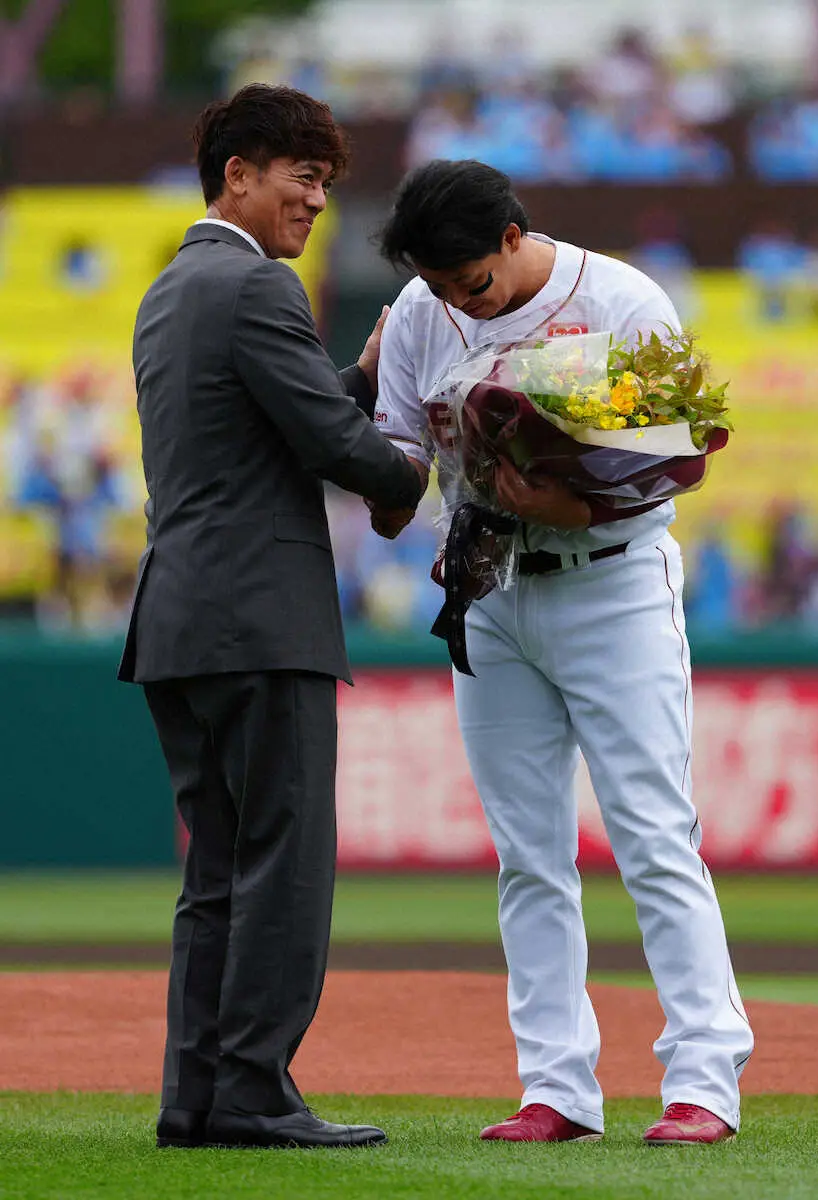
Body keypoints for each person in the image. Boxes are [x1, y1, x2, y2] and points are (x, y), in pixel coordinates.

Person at [371, 159, 754, 1146]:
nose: (456, 299)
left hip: (610, 581)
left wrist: (572, 501)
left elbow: (681, 452)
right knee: (525, 854)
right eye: (436, 282)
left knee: (651, 836)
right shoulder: (419, 309)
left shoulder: (618, 296)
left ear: (509, 234)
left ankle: (703, 1081)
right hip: (488, 582)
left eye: (469, 280)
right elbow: (397, 465)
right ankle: (555, 1086)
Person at [117, 84, 423, 1151]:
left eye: (325, 184)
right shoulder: (256, 289)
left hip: (182, 616)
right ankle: (254, 1090)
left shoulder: (173, 286)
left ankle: (195, 1096)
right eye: (301, 177)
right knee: (283, 861)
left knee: (215, 875)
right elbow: (335, 450)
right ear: (236, 174)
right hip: (259, 618)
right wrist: (411, 467)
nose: (315, 203)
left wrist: (357, 378)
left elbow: (261, 426)